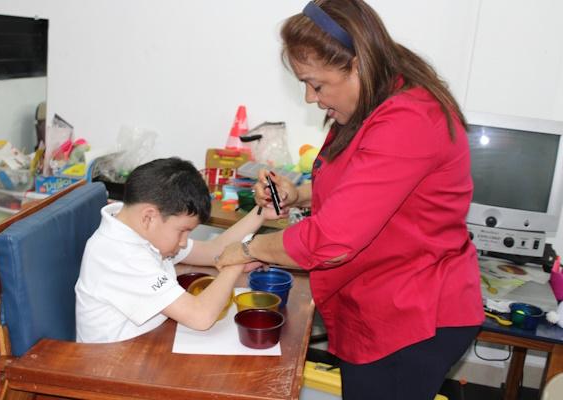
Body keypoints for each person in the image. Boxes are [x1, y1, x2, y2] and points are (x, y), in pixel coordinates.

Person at [215, 1, 484, 399]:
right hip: (379, 301)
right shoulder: (372, 101)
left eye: (316, 84)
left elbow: (330, 239)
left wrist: (248, 248)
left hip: (413, 314)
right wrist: (298, 194)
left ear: (357, 66)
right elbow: (363, 187)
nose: (310, 97)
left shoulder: (409, 120)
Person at [75, 157, 272, 343]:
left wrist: (262, 212)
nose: (184, 242)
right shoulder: (119, 254)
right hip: (112, 362)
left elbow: (215, 249)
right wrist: (236, 263)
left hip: (148, 343)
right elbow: (200, 316)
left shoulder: (139, 229)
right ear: (149, 217)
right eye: (182, 231)